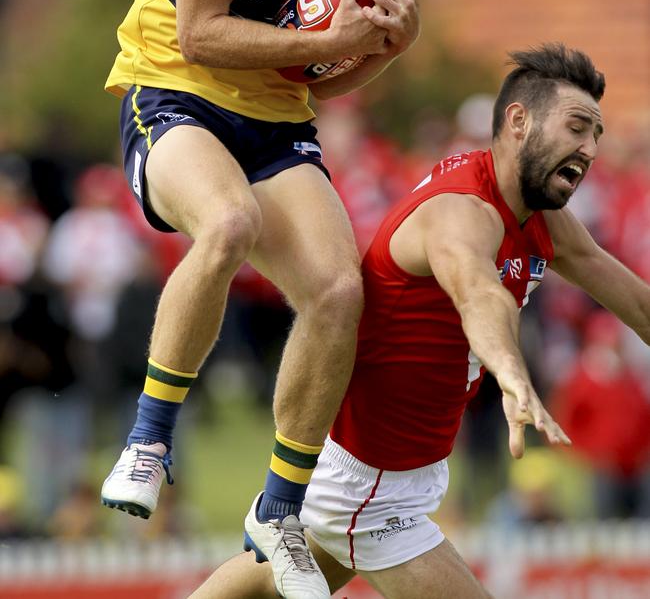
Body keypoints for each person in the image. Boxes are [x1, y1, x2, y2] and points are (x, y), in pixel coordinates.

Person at [101, 0, 419, 596]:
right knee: (230, 221)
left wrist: (392, 44)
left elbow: (333, 74)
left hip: (276, 120)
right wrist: (331, 37)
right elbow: (202, 33)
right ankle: (148, 437)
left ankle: (278, 504)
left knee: (339, 288)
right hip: (173, 94)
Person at [187, 43, 650, 599]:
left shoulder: (544, 220)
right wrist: (511, 373)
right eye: (577, 127)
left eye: (596, 135)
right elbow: (479, 294)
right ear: (519, 122)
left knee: (260, 590)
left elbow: (638, 306)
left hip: (399, 470)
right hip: (368, 481)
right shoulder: (460, 212)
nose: (591, 147)